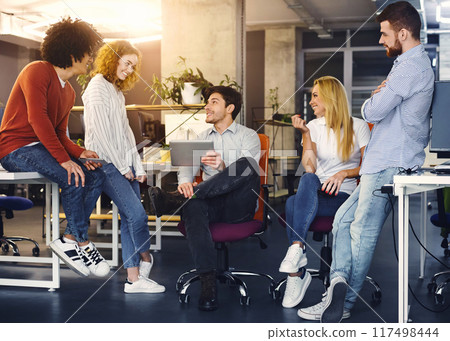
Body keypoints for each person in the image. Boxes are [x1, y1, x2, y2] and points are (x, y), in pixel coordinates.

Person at [298, 1, 434, 323]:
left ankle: (341, 307)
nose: (380, 40)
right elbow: (379, 107)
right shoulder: (406, 66)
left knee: (362, 229)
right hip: (379, 162)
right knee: (342, 220)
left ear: (403, 32)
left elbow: (370, 112)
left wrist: (376, 98)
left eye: (385, 34)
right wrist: (379, 96)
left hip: (391, 162)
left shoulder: (410, 66)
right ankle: (337, 288)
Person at [0, 18, 110, 278]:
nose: (90, 58)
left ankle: (71, 238)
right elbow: (37, 120)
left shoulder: (69, 92)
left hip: (42, 148)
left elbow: (59, 133)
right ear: (72, 52)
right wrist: (65, 160)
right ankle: (81, 243)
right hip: (14, 149)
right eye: (87, 52)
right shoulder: (36, 70)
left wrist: (80, 153)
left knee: (95, 174)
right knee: (72, 175)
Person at [149, 85, 261, 311]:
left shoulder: (248, 136)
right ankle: (208, 287)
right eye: (207, 102)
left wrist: (222, 166)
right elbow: (186, 172)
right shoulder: (200, 138)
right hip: (210, 204)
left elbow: (248, 173)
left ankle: (174, 202)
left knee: (246, 164)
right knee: (193, 205)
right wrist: (184, 183)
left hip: (239, 206)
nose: (207, 106)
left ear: (230, 108)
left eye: (213, 102)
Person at [279, 76, 370, 310]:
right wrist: (306, 135)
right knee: (308, 178)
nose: (311, 101)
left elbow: (369, 166)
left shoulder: (358, 126)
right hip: (317, 192)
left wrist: (344, 174)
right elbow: (309, 168)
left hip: (344, 196)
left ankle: (296, 272)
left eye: (315, 96)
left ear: (331, 97)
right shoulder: (313, 127)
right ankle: (296, 255)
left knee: (291, 204)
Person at [82, 40, 165, 294]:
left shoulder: (116, 91)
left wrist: (136, 165)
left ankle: (133, 279)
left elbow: (126, 134)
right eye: (127, 63)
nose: (130, 70)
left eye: (133, 66)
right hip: (105, 163)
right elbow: (101, 134)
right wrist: (121, 166)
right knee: (137, 216)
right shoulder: (97, 86)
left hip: (122, 163)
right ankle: (145, 258)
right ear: (112, 58)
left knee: (130, 216)